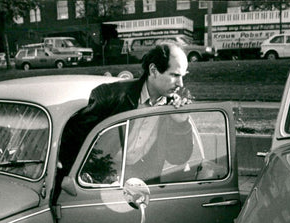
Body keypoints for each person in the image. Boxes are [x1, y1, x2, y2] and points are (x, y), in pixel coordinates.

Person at [58, 43, 193, 179]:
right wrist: (82, 176)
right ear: (153, 70)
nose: (181, 84)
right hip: (100, 177)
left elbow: (178, 158)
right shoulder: (111, 95)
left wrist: (180, 124)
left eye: (183, 76)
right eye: (175, 75)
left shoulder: (174, 106)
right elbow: (71, 141)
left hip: (143, 182)